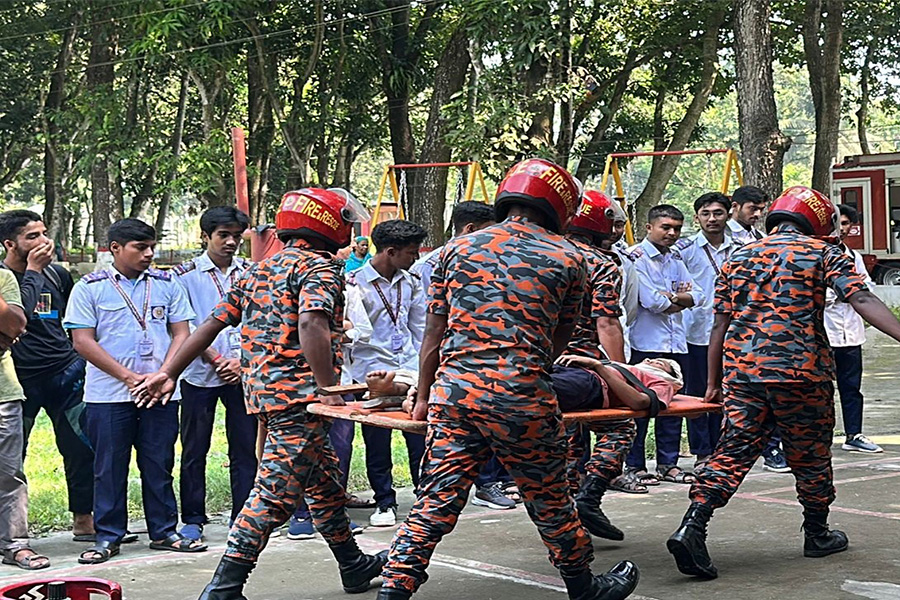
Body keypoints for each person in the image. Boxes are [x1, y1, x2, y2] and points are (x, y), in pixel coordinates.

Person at [376, 158, 639, 600]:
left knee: (436, 499)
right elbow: (557, 338)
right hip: (522, 396)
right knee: (549, 496)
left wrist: (423, 397)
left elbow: (432, 338)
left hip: (454, 394)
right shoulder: (571, 258)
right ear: (559, 207)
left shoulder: (454, 251)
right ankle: (583, 586)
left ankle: (395, 587)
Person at [134, 188, 386, 600]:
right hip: (301, 400)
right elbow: (312, 325)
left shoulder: (256, 271)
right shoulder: (320, 268)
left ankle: (353, 564)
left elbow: (210, 326)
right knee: (270, 496)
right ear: (326, 223)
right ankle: (223, 588)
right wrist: (329, 388)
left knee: (322, 486)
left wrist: (168, 372)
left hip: (264, 395)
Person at [667, 186, 900, 580]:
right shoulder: (823, 253)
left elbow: (718, 326)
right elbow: (861, 299)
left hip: (742, 374)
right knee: (809, 454)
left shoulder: (737, 258)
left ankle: (693, 525)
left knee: (733, 450)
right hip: (800, 373)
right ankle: (817, 532)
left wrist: (713, 382)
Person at [63, 218, 205, 564]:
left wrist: (164, 374)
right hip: (109, 395)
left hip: (160, 391)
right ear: (115, 248)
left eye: (151, 246)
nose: (149, 253)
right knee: (109, 466)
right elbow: (82, 341)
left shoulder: (167, 283)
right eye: (140, 247)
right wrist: (129, 378)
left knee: (159, 462)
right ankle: (108, 536)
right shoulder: (90, 288)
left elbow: (181, 333)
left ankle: (164, 531)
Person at [413, 201, 517, 510]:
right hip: (447, 362)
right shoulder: (432, 266)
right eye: (490, 231)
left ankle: (488, 483)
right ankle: (440, 494)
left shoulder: (495, 261)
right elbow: (428, 328)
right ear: (469, 229)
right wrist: (422, 390)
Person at [0, 210, 96, 542]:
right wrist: (33, 271)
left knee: (81, 447)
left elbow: (70, 319)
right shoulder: (4, 278)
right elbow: (19, 318)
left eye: (44, 233)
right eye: (32, 237)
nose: (44, 242)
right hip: (19, 378)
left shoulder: (57, 275)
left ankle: (84, 518)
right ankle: (12, 534)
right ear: (10, 244)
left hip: (65, 373)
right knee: (12, 457)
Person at [172, 207, 257, 542]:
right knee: (194, 448)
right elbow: (186, 322)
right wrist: (213, 356)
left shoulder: (252, 273)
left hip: (241, 372)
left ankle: (244, 514)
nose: (231, 242)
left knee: (245, 445)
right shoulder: (185, 275)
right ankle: (193, 517)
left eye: (237, 236)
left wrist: (239, 361)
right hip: (198, 373)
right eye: (224, 235)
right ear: (205, 236)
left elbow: (258, 322)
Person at [552, 189, 633, 539]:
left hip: (541, 366)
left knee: (565, 438)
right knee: (621, 425)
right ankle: (590, 496)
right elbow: (607, 323)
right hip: (584, 367)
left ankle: (569, 523)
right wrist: (623, 374)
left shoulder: (545, 254)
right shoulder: (600, 263)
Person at [346, 219, 427, 527]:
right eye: (411, 252)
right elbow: (358, 332)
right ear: (390, 252)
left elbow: (419, 328)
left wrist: (423, 370)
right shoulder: (355, 283)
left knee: (418, 432)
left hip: (408, 367)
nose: (415, 258)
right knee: (376, 438)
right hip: (372, 371)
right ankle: (384, 501)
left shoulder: (412, 282)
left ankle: (424, 497)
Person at [622, 205, 702, 487]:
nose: (671, 233)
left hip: (676, 345)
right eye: (665, 227)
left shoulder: (676, 257)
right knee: (641, 408)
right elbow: (652, 302)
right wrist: (678, 299)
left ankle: (668, 464)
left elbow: (700, 295)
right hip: (646, 345)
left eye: (676, 228)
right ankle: (635, 465)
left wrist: (674, 298)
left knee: (672, 407)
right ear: (649, 227)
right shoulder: (636, 258)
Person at [727, 186, 789, 473]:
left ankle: (772, 448)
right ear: (736, 206)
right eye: (753, 208)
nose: (758, 214)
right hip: (733, 329)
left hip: (765, 330)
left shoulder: (762, 240)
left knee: (773, 399)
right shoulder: (724, 240)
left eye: (762, 209)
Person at [675, 193, 734, 467]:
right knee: (698, 395)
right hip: (696, 332)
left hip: (735, 333)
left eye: (718, 213)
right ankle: (702, 452)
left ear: (729, 214)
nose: (712, 219)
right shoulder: (683, 251)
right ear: (697, 217)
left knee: (730, 392)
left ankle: (725, 448)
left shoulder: (744, 247)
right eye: (706, 213)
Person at [0, 267, 50, 570]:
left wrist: (6, 330)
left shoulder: (4, 278)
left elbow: (17, 324)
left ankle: (15, 545)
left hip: (4, 394)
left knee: (9, 473)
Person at [824, 204, 882, 453]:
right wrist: (847, 292)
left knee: (851, 386)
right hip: (825, 333)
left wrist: (848, 292)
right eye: (838, 223)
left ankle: (854, 434)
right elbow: (824, 295)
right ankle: (819, 437)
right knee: (821, 390)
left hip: (851, 332)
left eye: (846, 224)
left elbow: (866, 287)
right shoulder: (818, 254)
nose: (841, 229)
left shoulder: (853, 256)